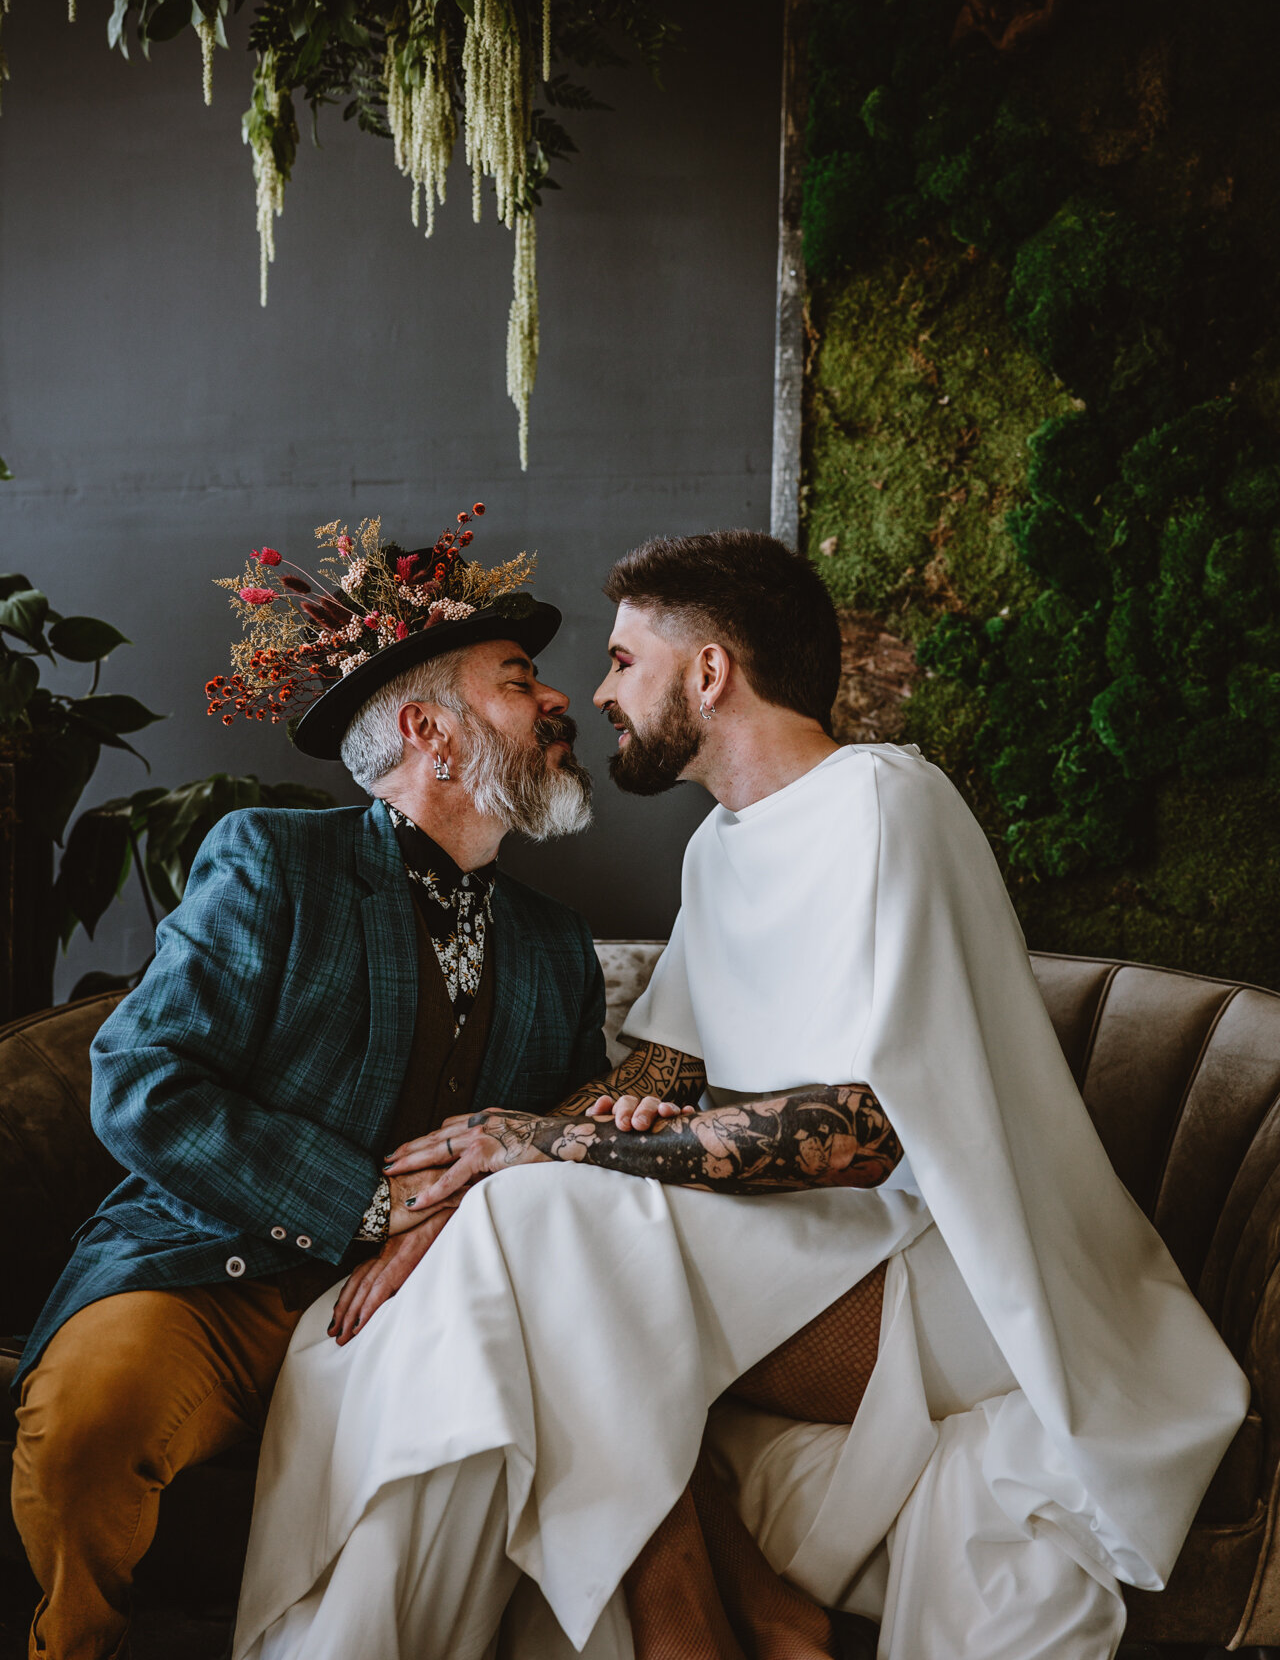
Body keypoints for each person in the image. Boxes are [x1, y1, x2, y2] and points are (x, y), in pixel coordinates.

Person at [232, 529, 1248, 1660]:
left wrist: (540, 1148)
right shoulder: (720, 849)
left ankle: (679, 1634)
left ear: (708, 674)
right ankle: (696, 1615)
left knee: (536, 1216)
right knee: (449, 1261)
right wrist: (461, 1179)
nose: (598, 695)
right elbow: (662, 1071)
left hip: (955, 1270)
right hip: (813, 1248)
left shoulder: (884, 804)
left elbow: (861, 1136)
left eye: (624, 661)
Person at [11, 506, 638, 1660]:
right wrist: (363, 1199)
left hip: (436, 1307)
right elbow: (142, 1077)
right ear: (428, 732)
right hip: (213, 1274)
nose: (559, 702)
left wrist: (450, 1222)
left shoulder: (554, 940)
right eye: (517, 682)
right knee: (88, 1428)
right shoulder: (274, 861)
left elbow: (563, 1133)